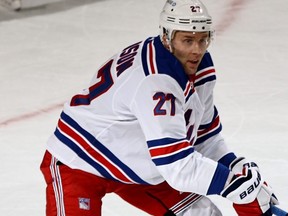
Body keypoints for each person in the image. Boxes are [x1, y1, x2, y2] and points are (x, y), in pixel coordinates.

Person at [40, 0, 279, 215]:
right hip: (80, 162)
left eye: (202, 39)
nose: (197, 50)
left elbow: (204, 136)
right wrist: (232, 184)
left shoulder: (200, 65)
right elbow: (177, 166)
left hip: (143, 163)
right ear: (167, 37)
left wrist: (234, 166)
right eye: (187, 40)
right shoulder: (155, 80)